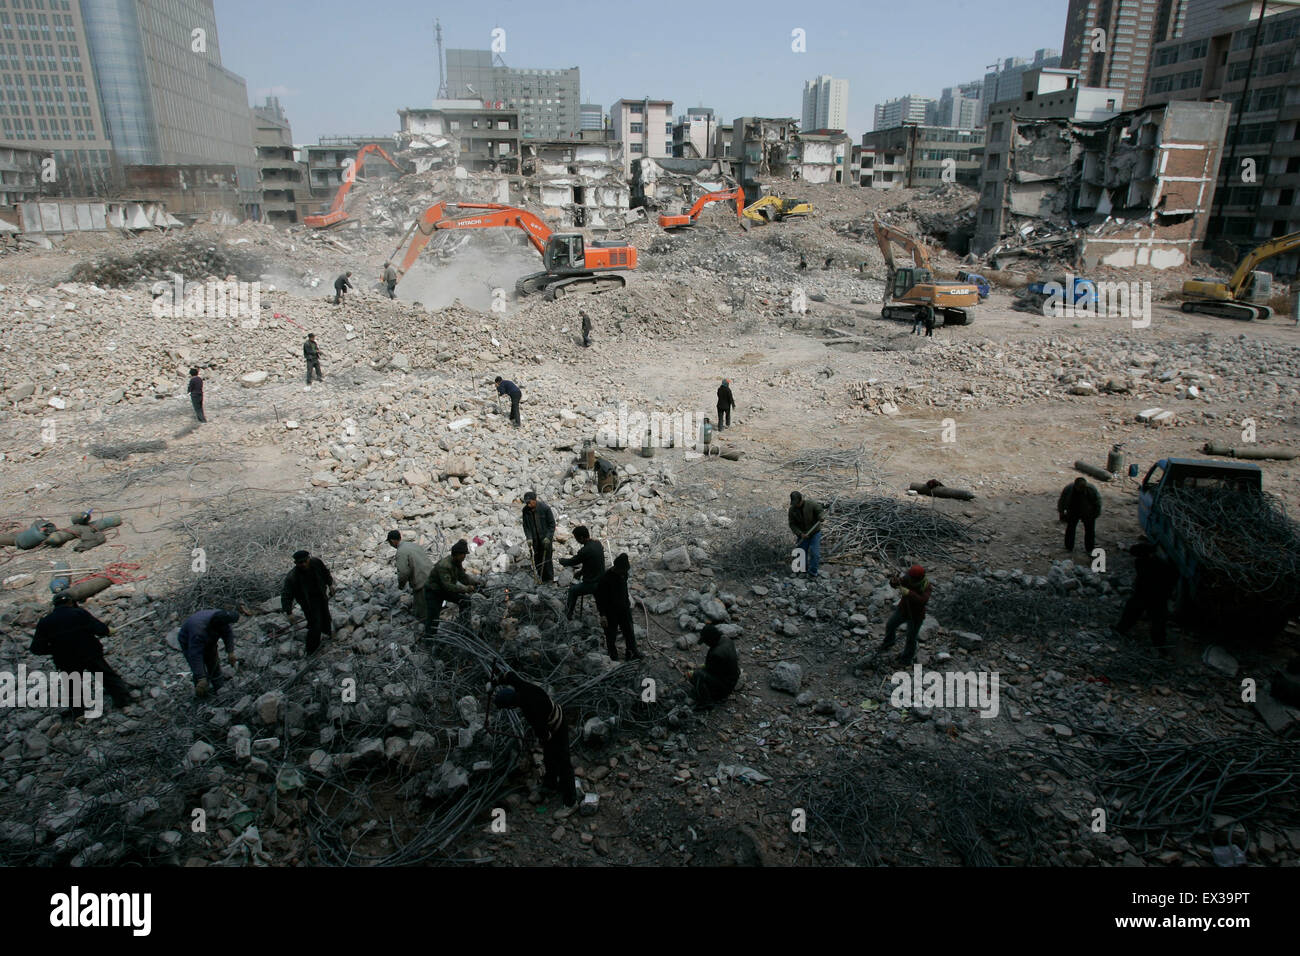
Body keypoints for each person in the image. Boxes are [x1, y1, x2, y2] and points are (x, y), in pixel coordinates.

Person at [31, 593, 134, 714]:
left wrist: (55, 649)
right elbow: (100, 629)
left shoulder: (45, 622)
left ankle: (78, 713)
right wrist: (107, 631)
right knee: (107, 676)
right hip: (90, 653)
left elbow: (36, 649)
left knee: (72, 685)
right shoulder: (79, 613)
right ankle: (123, 702)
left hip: (65, 659)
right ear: (70, 602)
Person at [492, 671, 577, 805]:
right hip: (550, 719)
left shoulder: (530, 708)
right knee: (549, 757)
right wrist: (493, 683)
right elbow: (509, 675)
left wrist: (540, 739)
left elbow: (545, 734)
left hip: (557, 725)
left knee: (562, 760)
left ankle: (570, 799)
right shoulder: (521, 686)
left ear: (511, 705)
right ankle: (551, 783)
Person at [1116, 541, 1179, 656]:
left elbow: (1140, 581)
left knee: (1132, 611)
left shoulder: (1140, 563)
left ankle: (1121, 629)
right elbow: (1173, 578)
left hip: (1145, 594)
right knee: (1158, 620)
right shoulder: (1162, 565)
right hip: (1159, 596)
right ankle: (1159, 646)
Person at [281, 550, 335, 654]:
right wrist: (289, 612)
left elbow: (325, 572)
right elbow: (286, 594)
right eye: (300, 562)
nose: (304, 564)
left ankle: (327, 637)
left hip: (321, 595)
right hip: (308, 602)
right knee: (315, 624)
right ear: (296, 563)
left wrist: (330, 584)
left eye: (305, 561)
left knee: (326, 617)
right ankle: (311, 651)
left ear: (309, 559)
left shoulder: (316, 563)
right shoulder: (292, 576)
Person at [876, 565, 931, 666]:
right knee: (890, 625)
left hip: (916, 616)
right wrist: (894, 582)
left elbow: (922, 600)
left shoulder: (926, 586)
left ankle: (906, 660)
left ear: (917, 578)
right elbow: (897, 584)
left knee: (911, 638)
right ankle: (889, 642)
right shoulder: (908, 578)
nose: (908, 577)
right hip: (903, 609)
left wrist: (909, 593)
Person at [178, 608, 240, 698]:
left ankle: (219, 688)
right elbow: (195, 655)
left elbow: (228, 633)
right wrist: (201, 678)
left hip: (208, 634)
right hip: (187, 639)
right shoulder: (198, 631)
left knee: (213, 660)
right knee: (199, 669)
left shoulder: (222, 617)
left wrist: (230, 652)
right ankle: (201, 693)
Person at [427, 539, 479, 636]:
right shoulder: (444, 566)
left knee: (465, 601)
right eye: (463, 554)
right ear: (457, 554)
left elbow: (463, 577)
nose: (464, 557)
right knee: (433, 617)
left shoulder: (457, 562)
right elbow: (448, 586)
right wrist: (466, 589)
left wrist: (475, 582)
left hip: (445, 589)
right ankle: (429, 639)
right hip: (435, 591)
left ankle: (465, 628)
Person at [595, 553, 640, 661]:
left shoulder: (624, 574)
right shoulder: (605, 579)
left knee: (629, 632)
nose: (624, 572)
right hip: (610, 612)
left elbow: (624, 590)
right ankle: (613, 656)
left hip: (624, 609)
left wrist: (627, 605)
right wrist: (602, 615)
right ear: (616, 567)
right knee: (611, 635)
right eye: (623, 570)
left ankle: (632, 652)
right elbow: (599, 598)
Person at [387, 530, 436, 630]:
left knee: (422, 612)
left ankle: (428, 632)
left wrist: (401, 585)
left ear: (392, 541)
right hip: (432, 575)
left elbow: (403, 572)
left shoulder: (401, 551)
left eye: (389, 542)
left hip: (421, 580)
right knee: (433, 602)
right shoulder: (413, 545)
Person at [686, 624, 739, 711]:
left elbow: (709, 671)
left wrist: (693, 673)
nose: (706, 644)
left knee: (698, 675)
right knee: (700, 672)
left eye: (706, 641)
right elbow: (718, 667)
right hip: (732, 679)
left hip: (725, 687)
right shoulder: (727, 640)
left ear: (711, 639)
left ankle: (707, 703)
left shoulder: (717, 653)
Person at [561, 526, 605, 621]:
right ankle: (603, 615)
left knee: (573, 591)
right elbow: (591, 562)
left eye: (576, 538)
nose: (576, 540)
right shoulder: (597, 543)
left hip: (592, 583)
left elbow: (573, 561)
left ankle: (568, 615)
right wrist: (581, 572)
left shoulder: (585, 550)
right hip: (602, 580)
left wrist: (562, 561)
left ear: (581, 538)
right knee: (600, 599)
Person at [1058, 476, 1102, 554]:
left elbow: (1097, 502)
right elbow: (1062, 500)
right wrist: (1061, 512)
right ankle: (1069, 547)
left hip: (1088, 512)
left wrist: (1096, 514)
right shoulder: (1069, 489)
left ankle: (1089, 548)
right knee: (1070, 528)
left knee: (1090, 531)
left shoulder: (1091, 489)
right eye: (1080, 488)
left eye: (1083, 487)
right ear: (1075, 486)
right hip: (1073, 511)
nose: (1082, 489)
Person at [788, 491, 824, 579]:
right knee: (800, 552)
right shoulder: (792, 510)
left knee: (814, 553)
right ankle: (802, 570)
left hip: (815, 532)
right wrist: (800, 533)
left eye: (797, 503)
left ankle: (812, 573)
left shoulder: (811, 504)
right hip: (802, 534)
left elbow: (819, 510)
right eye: (794, 503)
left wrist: (821, 516)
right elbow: (792, 524)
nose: (795, 505)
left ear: (801, 500)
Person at [521, 492, 555, 582]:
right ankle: (540, 578)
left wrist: (548, 537)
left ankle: (549, 579)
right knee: (537, 559)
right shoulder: (525, 511)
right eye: (526, 503)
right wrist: (529, 538)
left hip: (545, 539)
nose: (528, 504)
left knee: (547, 559)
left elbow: (552, 525)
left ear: (535, 500)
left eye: (530, 502)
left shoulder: (545, 509)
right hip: (535, 540)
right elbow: (526, 526)